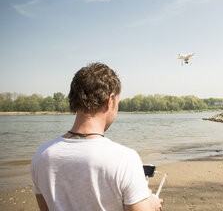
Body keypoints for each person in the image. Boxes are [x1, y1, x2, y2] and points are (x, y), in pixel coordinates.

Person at [31, 63, 163, 211]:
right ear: (110, 101)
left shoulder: (41, 156)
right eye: (117, 103)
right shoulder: (125, 159)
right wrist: (151, 205)